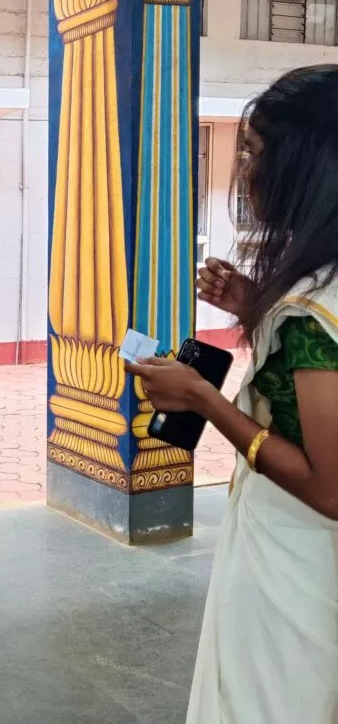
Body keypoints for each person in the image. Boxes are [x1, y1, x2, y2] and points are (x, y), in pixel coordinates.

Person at [125, 65, 338, 724]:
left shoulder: (313, 315)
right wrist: (254, 306)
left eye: (254, 152)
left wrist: (202, 399)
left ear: (305, 166)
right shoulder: (316, 291)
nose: (243, 170)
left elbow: (329, 489)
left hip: (300, 558)